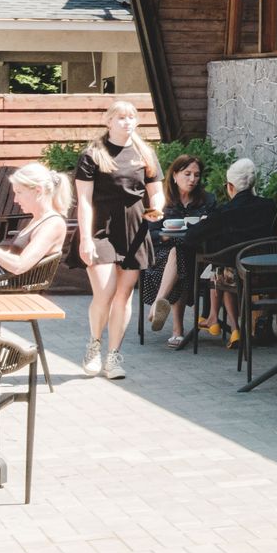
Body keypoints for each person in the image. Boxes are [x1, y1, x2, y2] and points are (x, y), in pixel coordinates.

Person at [72, 99, 163, 380]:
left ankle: (113, 356)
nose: (127, 122)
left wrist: (157, 209)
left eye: (131, 117)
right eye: (120, 117)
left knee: (123, 295)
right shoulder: (93, 154)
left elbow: (156, 191)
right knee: (105, 292)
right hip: (100, 228)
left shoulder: (144, 153)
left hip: (134, 228)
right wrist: (85, 238)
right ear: (108, 121)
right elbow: (84, 201)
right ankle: (94, 344)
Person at [172, 158, 277, 348]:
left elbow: (190, 237)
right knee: (223, 266)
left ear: (230, 186)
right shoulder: (270, 206)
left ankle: (217, 320)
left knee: (219, 269)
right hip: (268, 275)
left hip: (238, 277)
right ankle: (221, 321)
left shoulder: (225, 212)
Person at [145, 155, 214, 348]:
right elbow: (149, 234)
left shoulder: (207, 200)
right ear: (175, 175)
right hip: (161, 256)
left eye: (196, 175)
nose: (192, 179)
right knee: (177, 255)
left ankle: (160, 304)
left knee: (181, 255)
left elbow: (214, 227)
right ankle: (176, 329)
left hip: (197, 254)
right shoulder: (161, 200)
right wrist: (166, 235)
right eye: (187, 174)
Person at [0, 163, 71, 280]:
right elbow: (15, 256)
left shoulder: (52, 224)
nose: (15, 200)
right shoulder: (38, 220)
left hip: (1, 285)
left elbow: (19, 266)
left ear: (38, 191)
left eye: (19, 192)